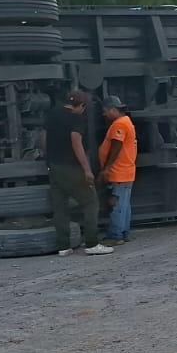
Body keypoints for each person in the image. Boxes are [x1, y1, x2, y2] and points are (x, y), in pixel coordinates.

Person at [44, 90, 113, 256]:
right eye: (84, 108)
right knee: (91, 202)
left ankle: (63, 247)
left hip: (54, 167)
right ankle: (92, 243)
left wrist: (50, 158)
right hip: (72, 167)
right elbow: (76, 142)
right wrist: (87, 169)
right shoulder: (77, 118)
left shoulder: (52, 114)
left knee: (60, 207)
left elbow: (43, 138)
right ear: (81, 106)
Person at [98, 95, 138, 246]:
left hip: (119, 171)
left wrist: (106, 168)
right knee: (124, 204)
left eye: (105, 111)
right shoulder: (126, 121)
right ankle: (123, 232)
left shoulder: (119, 125)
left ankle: (115, 236)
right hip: (126, 170)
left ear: (113, 110)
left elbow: (116, 146)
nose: (104, 114)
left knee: (117, 204)